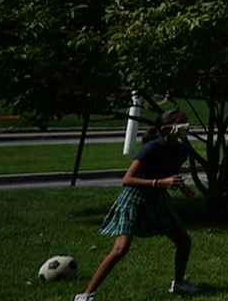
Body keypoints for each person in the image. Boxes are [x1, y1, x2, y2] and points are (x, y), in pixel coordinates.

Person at [75, 110, 198, 301]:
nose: (187, 127)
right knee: (120, 249)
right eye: (182, 123)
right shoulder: (151, 148)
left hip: (158, 200)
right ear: (168, 127)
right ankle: (85, 295)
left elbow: (169, 173)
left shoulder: (182, 150)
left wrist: (182, 187)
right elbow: (127, 179)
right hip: (135, 198)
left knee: (183, 240)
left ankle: (179, 283)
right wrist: (159, 183)